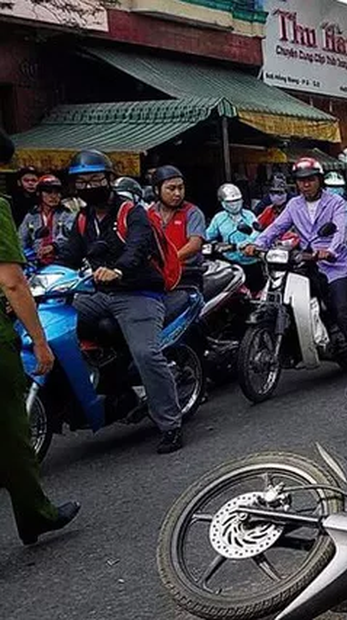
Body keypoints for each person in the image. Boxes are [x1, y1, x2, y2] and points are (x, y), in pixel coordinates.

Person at [57, 150, 185, 454]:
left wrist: (118, 269)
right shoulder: (83, 219)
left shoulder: (133, 212)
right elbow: (68, 256)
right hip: (99, 295)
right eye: (82, 182)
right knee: (56, 321)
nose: (89, 187)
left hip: (138, 294)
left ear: (109, 180)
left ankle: (170, 423)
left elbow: (138, 247)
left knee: (146, 353)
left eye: (95, 179)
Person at [0, 133, 80, 545]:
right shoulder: (6, 212)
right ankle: (36, 514)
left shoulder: (72, 216)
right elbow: (12, 282)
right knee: (13, 434)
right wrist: (40, 340)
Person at [245, 158, 347, 363]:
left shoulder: (335, 203)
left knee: (341, 311)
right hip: (306, 263)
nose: (305, 184)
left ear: (319, 180)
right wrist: (257, 244)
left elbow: (340, 230)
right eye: (301, 181)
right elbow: (276, 228)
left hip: (335, 266)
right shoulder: (294, 204)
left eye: (310, 179)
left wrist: (330, 250)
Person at [149, 166, 206, 290]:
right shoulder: (149, 214)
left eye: (181, 188)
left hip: (188, 274)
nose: (177, 193)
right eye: (171, 188)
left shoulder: (192, 212)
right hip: (158, 275)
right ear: (157, 190)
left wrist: (170, 262)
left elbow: (194, 244)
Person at [205, 183, 263, 293]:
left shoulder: (249, 215)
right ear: (223, 203)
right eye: (230, 202)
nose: (234, 204)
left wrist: (247, 243)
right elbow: (208, 235)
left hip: (251, 261)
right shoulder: (219, 218)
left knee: (257, 293)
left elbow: (257, 232)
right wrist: (214, 245)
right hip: (230, 262)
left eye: (237, 200)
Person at [18, 175, 75, 265]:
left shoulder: (67, 214)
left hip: (62, 262)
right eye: (48, 192)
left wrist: (54, 246)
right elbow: (21, 240)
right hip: (36, 263)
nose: (53, 196)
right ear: (39, 194)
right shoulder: (31, 216)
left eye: (57, 192)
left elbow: (70, 237)